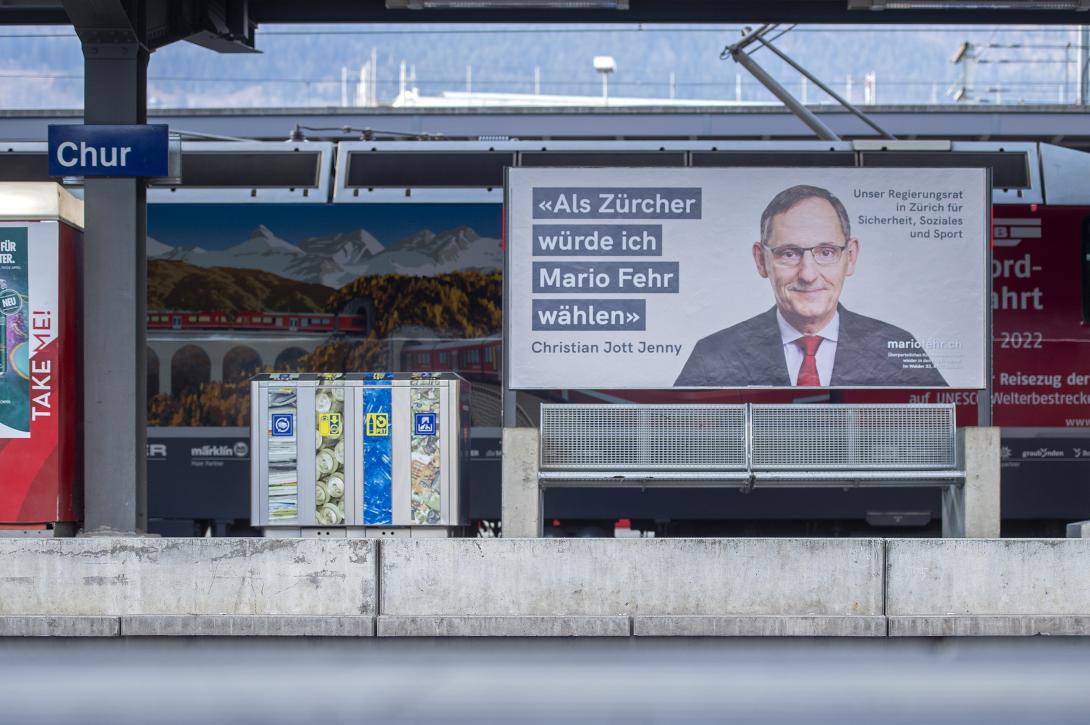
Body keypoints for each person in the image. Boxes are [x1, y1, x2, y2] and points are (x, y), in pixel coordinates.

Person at [674, 184, 947, 387]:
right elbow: (681, 438)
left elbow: (944, 430)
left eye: (826, 252)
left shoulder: (896, 349)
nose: (808, 274)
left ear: (850, 257)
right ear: (761, 260)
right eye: (789, 253)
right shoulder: (714, 354)